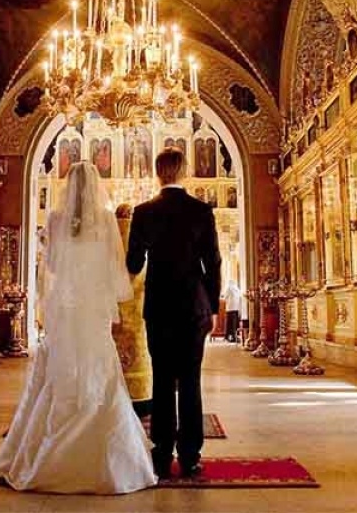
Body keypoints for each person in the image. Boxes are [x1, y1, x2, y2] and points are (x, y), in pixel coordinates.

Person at [0, 163, 156, 494]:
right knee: (98, 369)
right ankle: (107, 458)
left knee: (62, 369)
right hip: (93, 307)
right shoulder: (106, 220)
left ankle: (47, 455)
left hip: (67, 306)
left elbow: (52, 265)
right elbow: (115, 268)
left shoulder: (55, 219)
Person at [126, 147, 222, 479]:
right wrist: (212, 305)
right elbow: (213, 263)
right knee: (191, 381)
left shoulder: (144, 212)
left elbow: (134, 263)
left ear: (157, 173)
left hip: (159, 307)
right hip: (194, 307)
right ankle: (191, 457)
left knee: (163, 380)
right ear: (184, 171)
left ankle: (162, 454)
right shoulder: (201, 211)